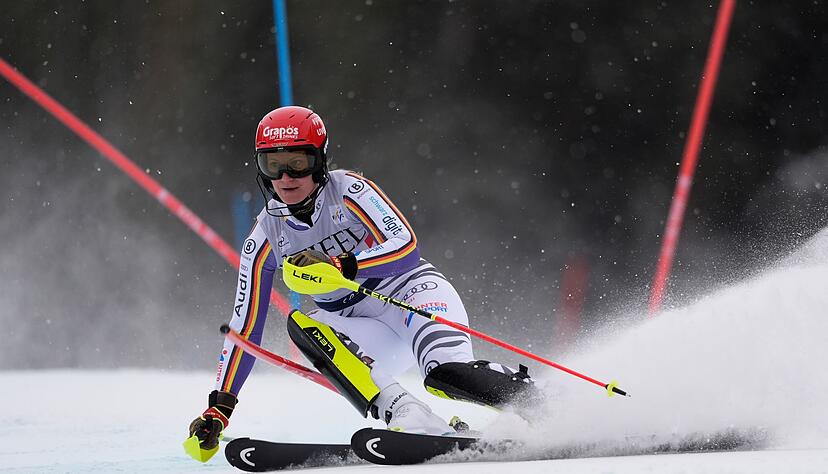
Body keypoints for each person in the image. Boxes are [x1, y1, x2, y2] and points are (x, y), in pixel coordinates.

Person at [187, 105, 541, 457]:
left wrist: (343, 265)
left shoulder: (349, 190)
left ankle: (544, 405)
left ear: (319, 160)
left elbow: (406, 246)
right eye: (272, 165)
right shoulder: (265, 236)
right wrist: (220, 407)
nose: (285, 177)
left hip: (411, 295)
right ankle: (408, 413)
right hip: (360, 328)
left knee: (446, 375)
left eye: (298, 163)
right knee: (304, 328)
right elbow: (245, 326)